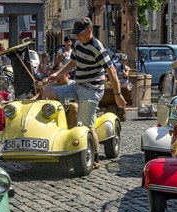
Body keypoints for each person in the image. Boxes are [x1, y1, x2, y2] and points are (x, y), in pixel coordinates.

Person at [45, 17, 126, 169]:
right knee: (48, 92)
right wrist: (57, 74)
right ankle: (59, 133)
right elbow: (73, 63)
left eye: (80, 34)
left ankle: (95, 158)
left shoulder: (97, 48)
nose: (77, 37)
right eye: (76, 34)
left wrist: (117, 94)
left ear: (89, 31)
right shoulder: (78, 43)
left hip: (92, 90)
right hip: (77, 85)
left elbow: (112, 70)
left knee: (86, 126)